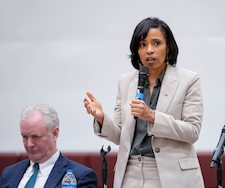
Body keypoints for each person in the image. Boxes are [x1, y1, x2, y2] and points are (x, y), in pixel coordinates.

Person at [84, 17, 205, 188]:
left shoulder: (188, 80)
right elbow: (120, 136)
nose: (149, 50)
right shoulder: (126, 82)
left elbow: (192, 132)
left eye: (156, 43)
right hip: (130, 172)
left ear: (168, 46)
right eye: (142, 45)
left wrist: (153, 116)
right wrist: (101, 118)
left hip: (171, 175)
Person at [0, 104, 98, 188]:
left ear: (55, 133)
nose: (29, 144)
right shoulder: (9, 174)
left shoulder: (80, 177)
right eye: (24, 137)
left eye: (35, 136)